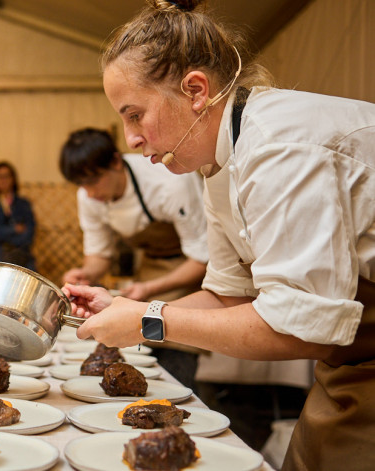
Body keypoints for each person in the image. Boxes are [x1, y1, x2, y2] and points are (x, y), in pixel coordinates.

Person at [62, 1, 375, 469]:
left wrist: (150, 319)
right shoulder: (216, 164)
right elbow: (227, 296)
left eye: (135, 115)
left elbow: (300, 329)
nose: (130, 141)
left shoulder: (279, 147)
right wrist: (123, 309)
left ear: (195, 90)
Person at [59, 128, 208, 387]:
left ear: (116, 162)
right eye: (81, 185)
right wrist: (86, 274)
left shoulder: (170, 183)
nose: (89, 193)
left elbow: (202, 259)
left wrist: (149, 288)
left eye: (94, 181)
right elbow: (99, 255)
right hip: (149, 271)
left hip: (190, 273)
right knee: (141, 361)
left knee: (176, 362)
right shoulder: (88, 195)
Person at [0, 162, 36, 271]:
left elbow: (28, 236)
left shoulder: (23, 205)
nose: (3, 180)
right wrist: (14, 229)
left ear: (13, 179)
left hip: (20, 258)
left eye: (6, 176)